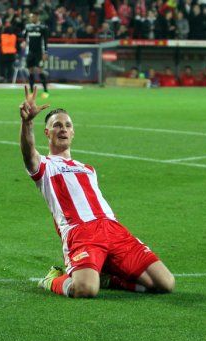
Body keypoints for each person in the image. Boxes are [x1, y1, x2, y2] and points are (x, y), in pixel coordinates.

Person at [18, 87, 175, 298]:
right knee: (86, 289)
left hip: (113, 229)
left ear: (73, 132)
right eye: (57, 125)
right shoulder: (45, 166)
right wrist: (27, 123)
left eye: (67, 125)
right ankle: (52, 280)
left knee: (164, 284)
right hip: (81, 232)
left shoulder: (88, 169)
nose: (63, 129)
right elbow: (28, 152)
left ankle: (108, 278)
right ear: (47, 133)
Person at [22, 12, 49, 98]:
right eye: (30, 17)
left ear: (37, 17)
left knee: (40, 70)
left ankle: (45, 91)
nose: (31, 18)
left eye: (33, 17)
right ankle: (31, 91)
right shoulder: (27, 27)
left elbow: (45, 41)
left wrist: (45, 52)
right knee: (30, 71)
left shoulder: (43, 27)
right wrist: (23, 43)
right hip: (30, 52)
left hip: (39, 53)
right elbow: (24, 38)